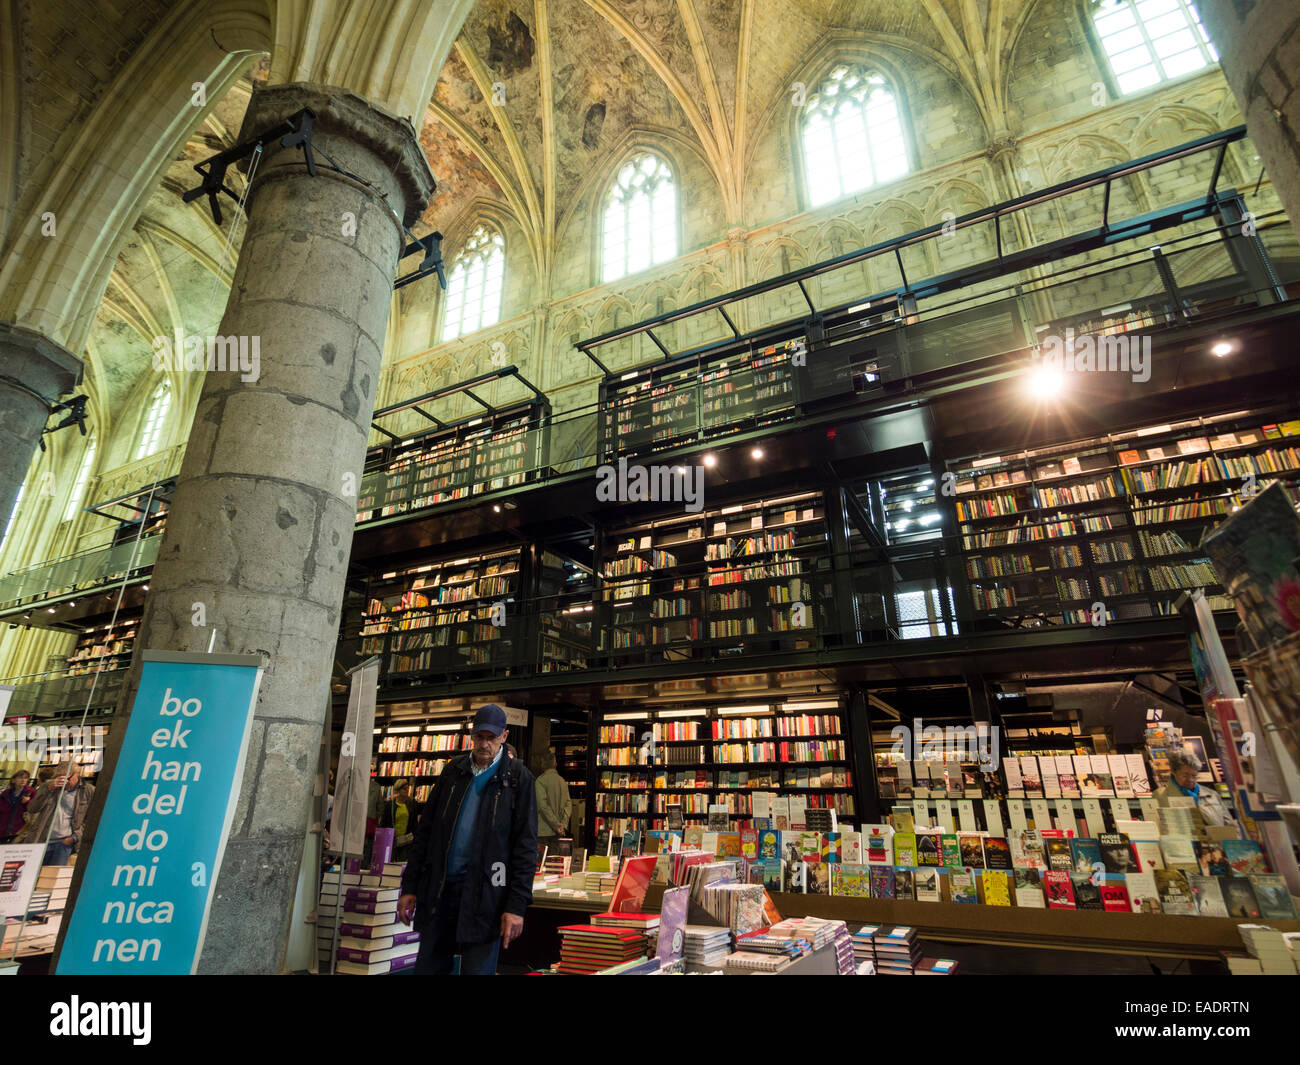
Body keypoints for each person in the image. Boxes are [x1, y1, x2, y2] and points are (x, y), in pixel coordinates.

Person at [398, 704, 538, 975]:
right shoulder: (453, 772)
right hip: (441, 889)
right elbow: (425, 833)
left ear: (504, 737)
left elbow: (525, 847)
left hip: (487, 894)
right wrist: (410, 886)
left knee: (477, 970)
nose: (484, 744)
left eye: (492, 738)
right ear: (472, 736)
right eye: (479, 737)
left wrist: (516, 906)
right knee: (428, 967)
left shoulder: (518, 778)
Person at [17, 765, 95, 864]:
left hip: (63, 844)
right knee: (32, 874)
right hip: (41, 839)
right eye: (61, 778)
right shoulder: (49, 786)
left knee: (53, 876)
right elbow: (32, 809)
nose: (65, 782)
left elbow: (91, 820)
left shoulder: (89, 791)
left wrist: (74, 837)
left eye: (68, 778)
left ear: (77, 774)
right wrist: (48, 789)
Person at [1156, 748, 1234, 827]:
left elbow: (1231, 827)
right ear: (1173, 772)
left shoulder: (1212, 794)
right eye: (1185, 775)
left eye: (1194, 776)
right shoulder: (1160, 796)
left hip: (1217, 839)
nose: (1190, 780)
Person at [535, 750, 572, 854]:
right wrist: (562, 825)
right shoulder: (562, 781)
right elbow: (568, 805)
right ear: (555, 764)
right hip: (559, 832)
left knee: (542, 865)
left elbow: (543, 806)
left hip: (543, 831)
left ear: (542, 765)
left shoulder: (540, 781)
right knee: (555, 865)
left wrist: (556, 825)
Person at [380, 779, 421, 861]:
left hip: (407, 841)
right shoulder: (390, 805)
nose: (407, 790)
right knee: (390, 864)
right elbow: (384, 823)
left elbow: (414, 823)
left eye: (408, 788)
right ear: (398, 790)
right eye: (404, 789)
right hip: (392, 841)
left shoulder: (411, 805)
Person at [0, 770, 34, 843]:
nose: (23, 780)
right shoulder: (6, 792)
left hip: (20, 830)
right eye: (20, 777)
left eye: (26, 778)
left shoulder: (30, 792)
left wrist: (27, 802)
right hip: (3, 829)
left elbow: (35, 810)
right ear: (13, 780)